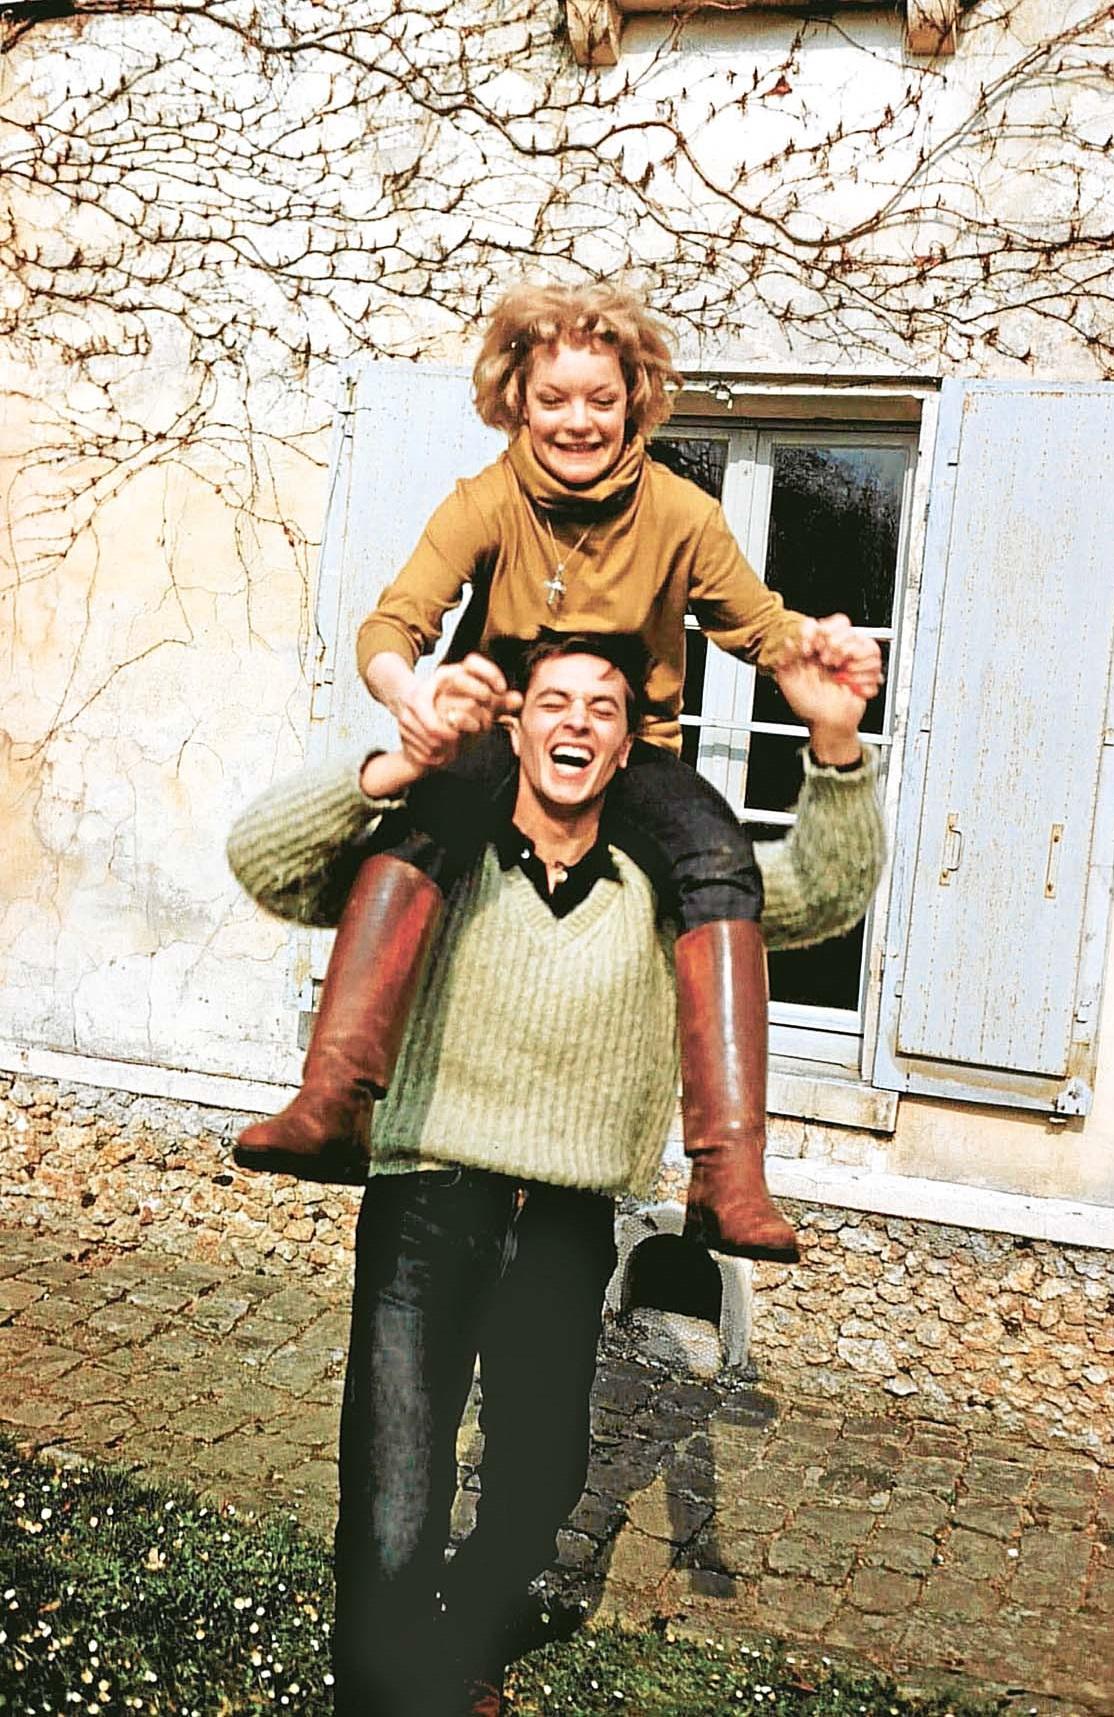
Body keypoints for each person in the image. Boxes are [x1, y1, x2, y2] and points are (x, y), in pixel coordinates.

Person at [227, 632, 884, 1717]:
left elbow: (820, 894)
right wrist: (396, 764)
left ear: (627, 748)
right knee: (395, 1496)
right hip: (429, 1197)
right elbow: (268, 860)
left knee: (541, 1481)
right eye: (554, 701)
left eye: (602, 707)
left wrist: (835, 740)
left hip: (567, 1218)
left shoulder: (667, 878)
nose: (576, 720)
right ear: (517, 727)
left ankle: (456, 1646)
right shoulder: (443, 853)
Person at [234, 280, 884, 1263]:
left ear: (636, 403)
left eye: (600, 399)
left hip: (634, 752)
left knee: (718, 855)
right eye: (553, 399)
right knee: (420, 821)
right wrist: (408, 693)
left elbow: (758, 626)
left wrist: (817, 652)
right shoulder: (488, 499)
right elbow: (392, 624)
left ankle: (727, 1173)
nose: (577, 420)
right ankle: (333, 1101)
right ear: (517, 401)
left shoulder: (682, 514)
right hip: (499, 733)